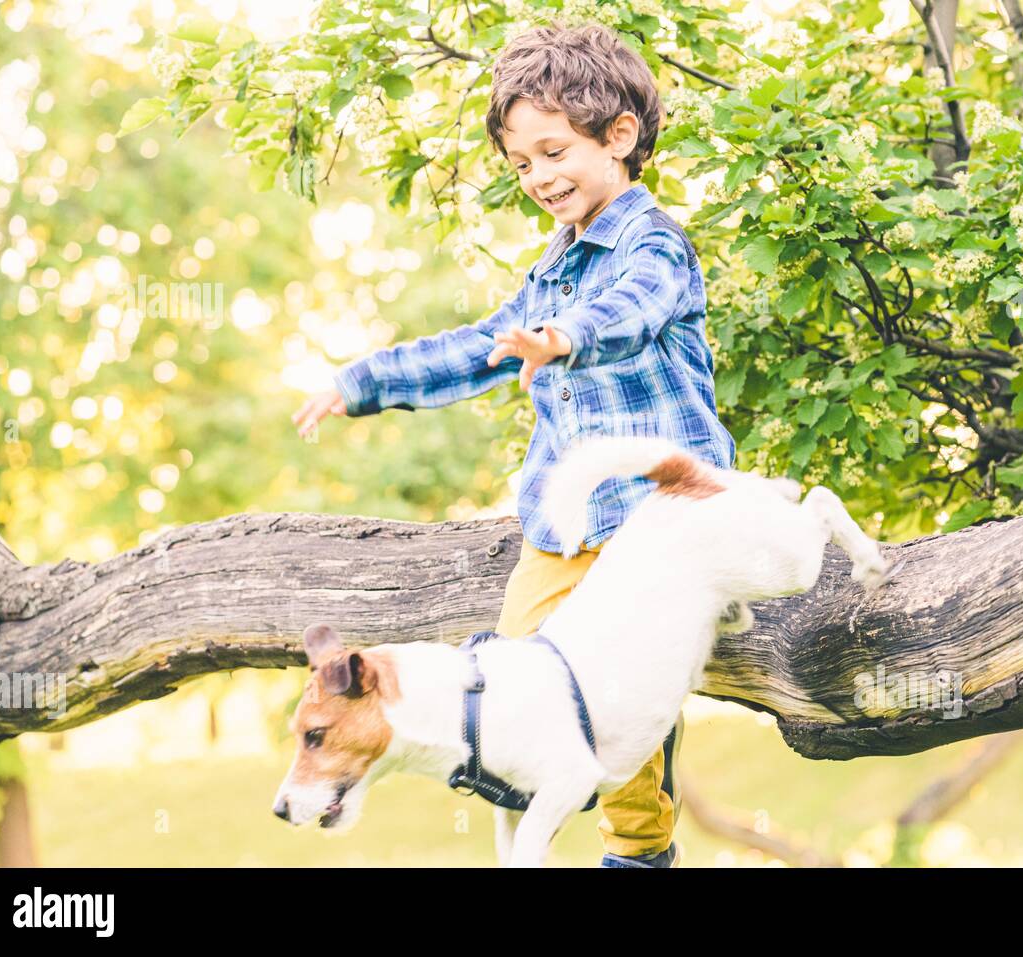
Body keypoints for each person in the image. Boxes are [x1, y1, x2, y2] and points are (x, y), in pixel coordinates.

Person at [292, 22, 736, 867]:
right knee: (508, 672)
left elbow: (633, 309)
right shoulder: (552, 267)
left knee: (623, 696)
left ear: (621, 137)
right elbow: (478, 346)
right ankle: (521, 794)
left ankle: (639, 850)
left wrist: (564, 336)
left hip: (655, 518)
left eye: (553, 151)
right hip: (562, 525)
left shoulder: (654, 243)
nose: (537, 177)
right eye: (521, 163)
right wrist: (366, 383)